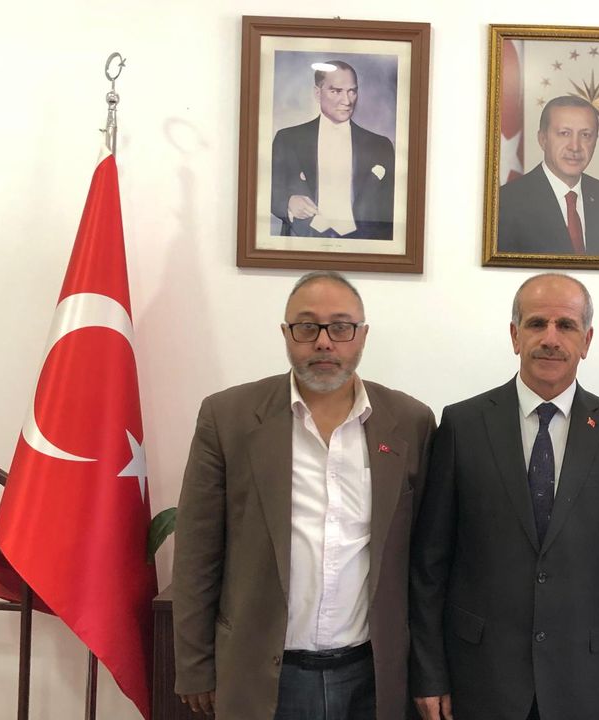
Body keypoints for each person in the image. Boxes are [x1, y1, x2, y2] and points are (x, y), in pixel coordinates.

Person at [172, 271, 435, 720]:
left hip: (372, 673)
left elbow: (424, 558)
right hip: (264, 674)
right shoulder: (229, 417)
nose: (324, 342)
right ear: (286, 334)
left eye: (341, 327)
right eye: (307, 326)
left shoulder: (410, 422)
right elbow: (197, 553)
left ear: (362, 335)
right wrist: (195, 666)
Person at [411, 273, 599, 720]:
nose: (550, 338)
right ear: (515, 335)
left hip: (589, 680)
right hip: (479, 675)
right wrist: (429, 672)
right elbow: (430, 563)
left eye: (566, 326)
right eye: (536, 324)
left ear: (586, 341)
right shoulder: (462, 425)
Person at [271, 60, 395, 240]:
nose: (347, 101)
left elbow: (392, 207)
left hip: (363, 245)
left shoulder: (380, 145)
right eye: (336, 91)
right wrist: (288, 202)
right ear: (317, 93)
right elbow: (265, 191)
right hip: (301, 242)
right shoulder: (288, 139)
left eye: (352, 91)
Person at [497, 96, 599, 256]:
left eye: (585, 135)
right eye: (564, 133)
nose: (575, 147)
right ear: (543, 139)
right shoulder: (508, 201)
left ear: (596, 140)